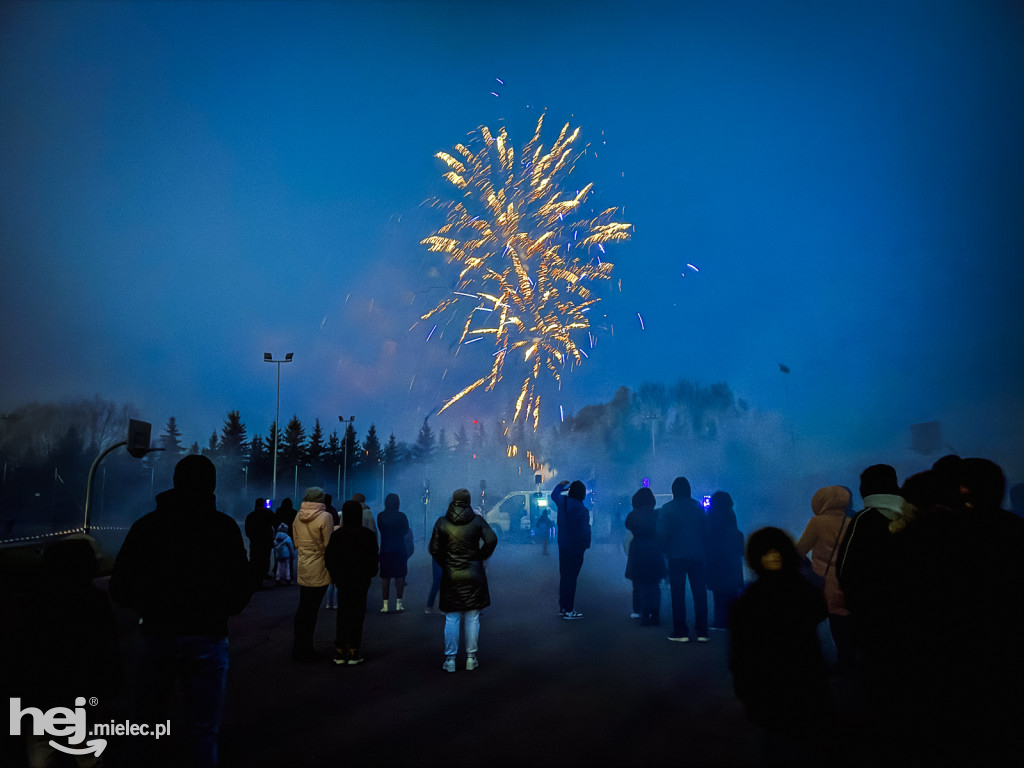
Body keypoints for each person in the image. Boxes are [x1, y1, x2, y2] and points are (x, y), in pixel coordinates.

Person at [109, 454, 251, 768]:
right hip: (208, 635)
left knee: (147, 725)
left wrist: (148, 608)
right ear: (211, 485)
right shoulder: (223, 527)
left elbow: (119, 584)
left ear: (175, 482)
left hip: (158, 634)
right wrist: (221, 609)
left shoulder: (147, 526)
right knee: (202, 731)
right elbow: (242, 582)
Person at [729, 527, 834, 767]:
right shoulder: (800, 589)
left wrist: (743, 685)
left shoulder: (751, 598)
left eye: (777, 551)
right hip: (797, 678)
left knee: (782, 743)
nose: (773, 556)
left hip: (774, 682)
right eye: (767, 552)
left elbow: (740, 651)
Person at [429, 488, 497, 672]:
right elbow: (491, 540)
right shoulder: (477, 521)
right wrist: (480, 557)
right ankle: (470, 657)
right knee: (472, 617)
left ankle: (450, 660)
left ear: (453, 500)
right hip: (474, 574)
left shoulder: (442, 522)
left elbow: (434, 548)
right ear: (468, 501)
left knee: (451, 618)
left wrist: (447, 563)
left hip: (451, 575)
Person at [796, 485, 854, 674]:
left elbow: (800, 549)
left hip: (823, 580)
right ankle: (848, 660)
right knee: (843, 621)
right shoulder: (852, 521)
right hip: (847, 578)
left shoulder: (818, 522)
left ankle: (812, 660)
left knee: (812, 620)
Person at [325, 500, 379, 665]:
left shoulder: (337, 535)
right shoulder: (368, 535)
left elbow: (329, 558)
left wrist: (335, 576)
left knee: (343, 613)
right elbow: (373, 558)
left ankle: (340, 650)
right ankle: (354, 650)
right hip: (361, 580)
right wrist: (370, 574)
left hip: (343, 580)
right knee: (358, 614)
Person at [657, 476, 708, 642]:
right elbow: (706, 532)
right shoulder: (699, 508)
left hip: (676, 556)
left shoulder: (667, 509)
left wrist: (664, 551)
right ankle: (702, 631)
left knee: (678, 595)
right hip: (697, 556)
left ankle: (680, 631)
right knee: (700, 594)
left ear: (673, 492)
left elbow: (661, 535)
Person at [290, 487, 334, 662]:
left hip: (303, 565)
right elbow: (329, 545)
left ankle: (298, 647)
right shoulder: (326, 517)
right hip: (319, 567)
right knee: (312, 610)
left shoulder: (297, 516)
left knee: (303, 608)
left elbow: (296, 542)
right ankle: (306, 649)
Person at [624, 487, 667, 626]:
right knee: (654, 585)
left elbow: (628, 525)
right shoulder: (658, 515)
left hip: (638, 551)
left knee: (638, 583)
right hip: (655, 550)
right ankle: (655, 615)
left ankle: (640, 612)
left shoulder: (633, 516)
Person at [551, 479, 591, 620]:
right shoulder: (582, 510)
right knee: (571, 578)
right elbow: (584, 531)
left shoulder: (563, 502)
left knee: (565, 577)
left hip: (563, 545)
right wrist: (586, 545)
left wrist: (561, 485)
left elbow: (553, 495)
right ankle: (569, 610)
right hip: (576, 548)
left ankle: (563, 607)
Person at [704, 491, 745, 630]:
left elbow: (708, 536)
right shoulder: (730, 513)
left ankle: (720, 621)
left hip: (716, 558)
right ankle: (733, 620)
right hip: (731, 557)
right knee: (731, 590)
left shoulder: (712, 516)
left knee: (719, 591)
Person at [377, 493, 413, 613]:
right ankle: (399, 604)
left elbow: (381, 529)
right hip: (400, 548)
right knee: (400, 576)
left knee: (385, 577)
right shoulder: (402, 516)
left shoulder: (381, 516)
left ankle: (385, 605)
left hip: (385, 549)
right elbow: (405, 532)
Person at [244, 498, 275, 591]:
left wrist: (252, 537)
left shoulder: (250, 516)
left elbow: (247, 530)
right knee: (265, 560)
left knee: (255, 559)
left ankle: (255, 580)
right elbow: (275, 521)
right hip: (266, 542)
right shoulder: (268, 514)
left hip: (255, 542)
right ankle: (261, 578)